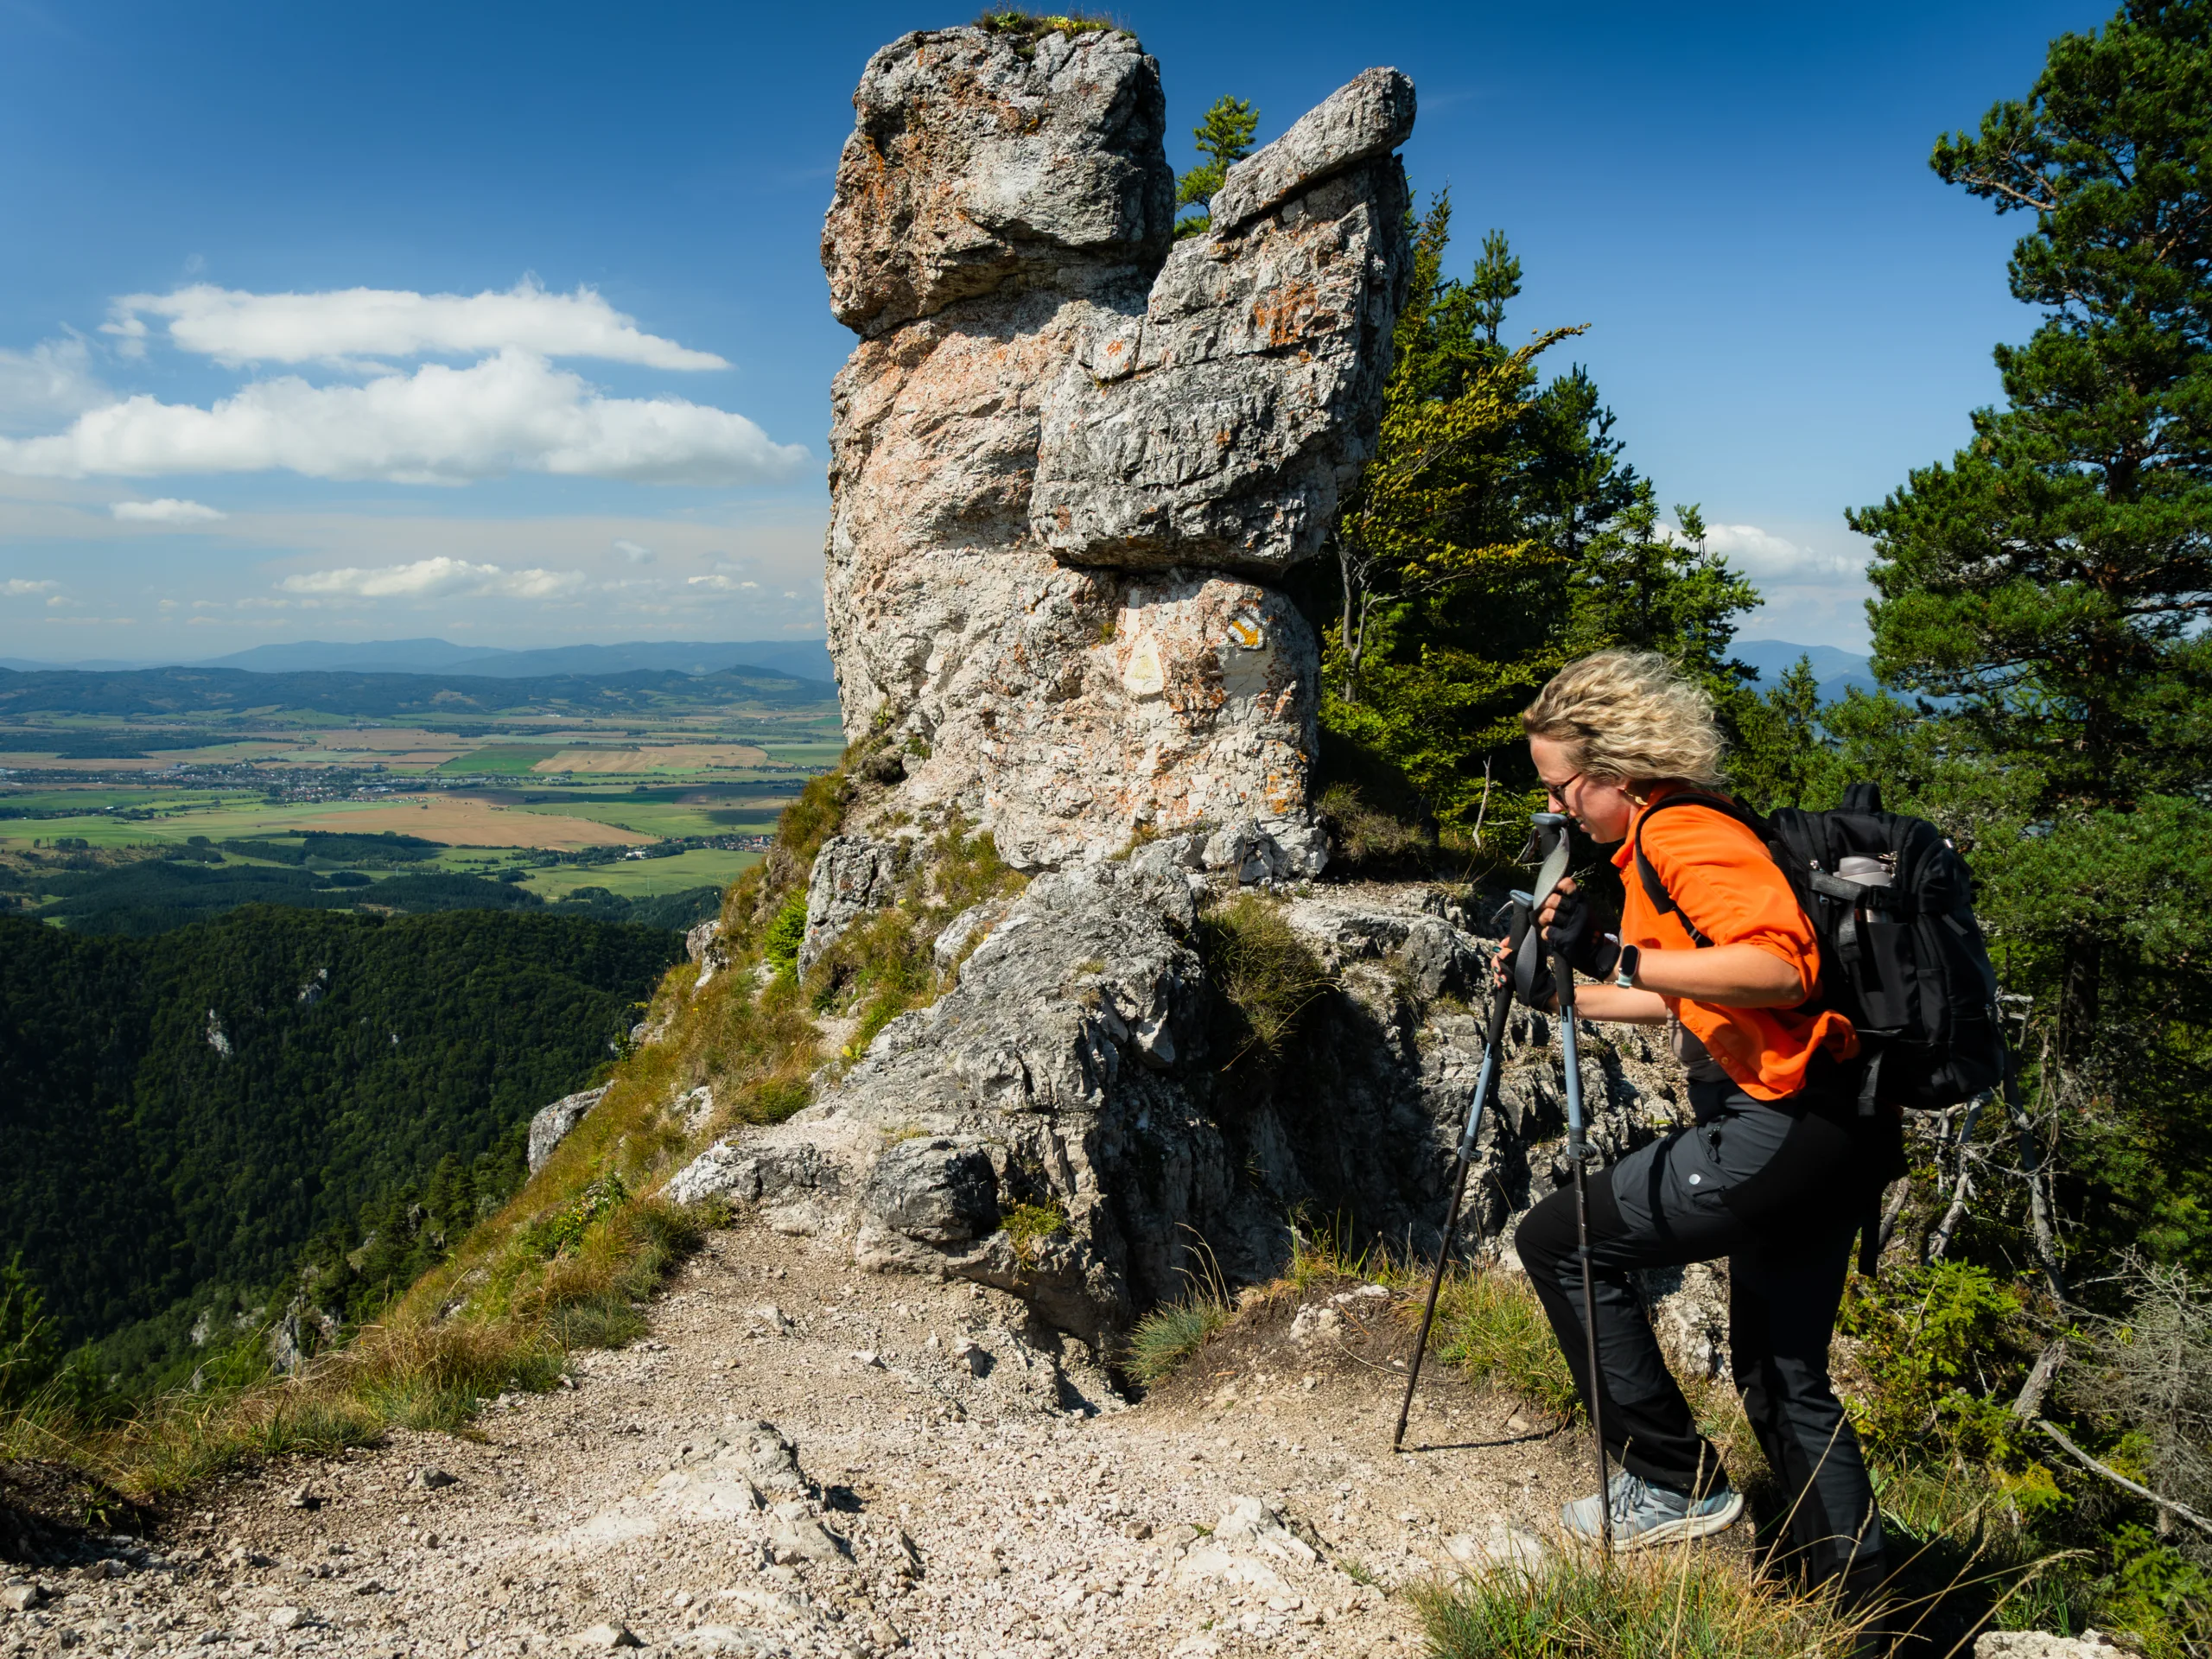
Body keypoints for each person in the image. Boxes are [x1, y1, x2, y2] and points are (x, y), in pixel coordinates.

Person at [1504, 650, 1888, 1599]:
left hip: (1774, 1127)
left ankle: (1671, 1483)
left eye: (1560, 787)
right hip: (1830, 1127)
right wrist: (1567, 994)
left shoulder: (1684, 835)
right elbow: (1698, 996)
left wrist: (1610, 952)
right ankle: (1859, 1612)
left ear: (1615, 773)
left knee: (1561, 1241)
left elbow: (1778, 970)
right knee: (1781, 1376)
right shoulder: (1660, 842)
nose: (1556, 809)